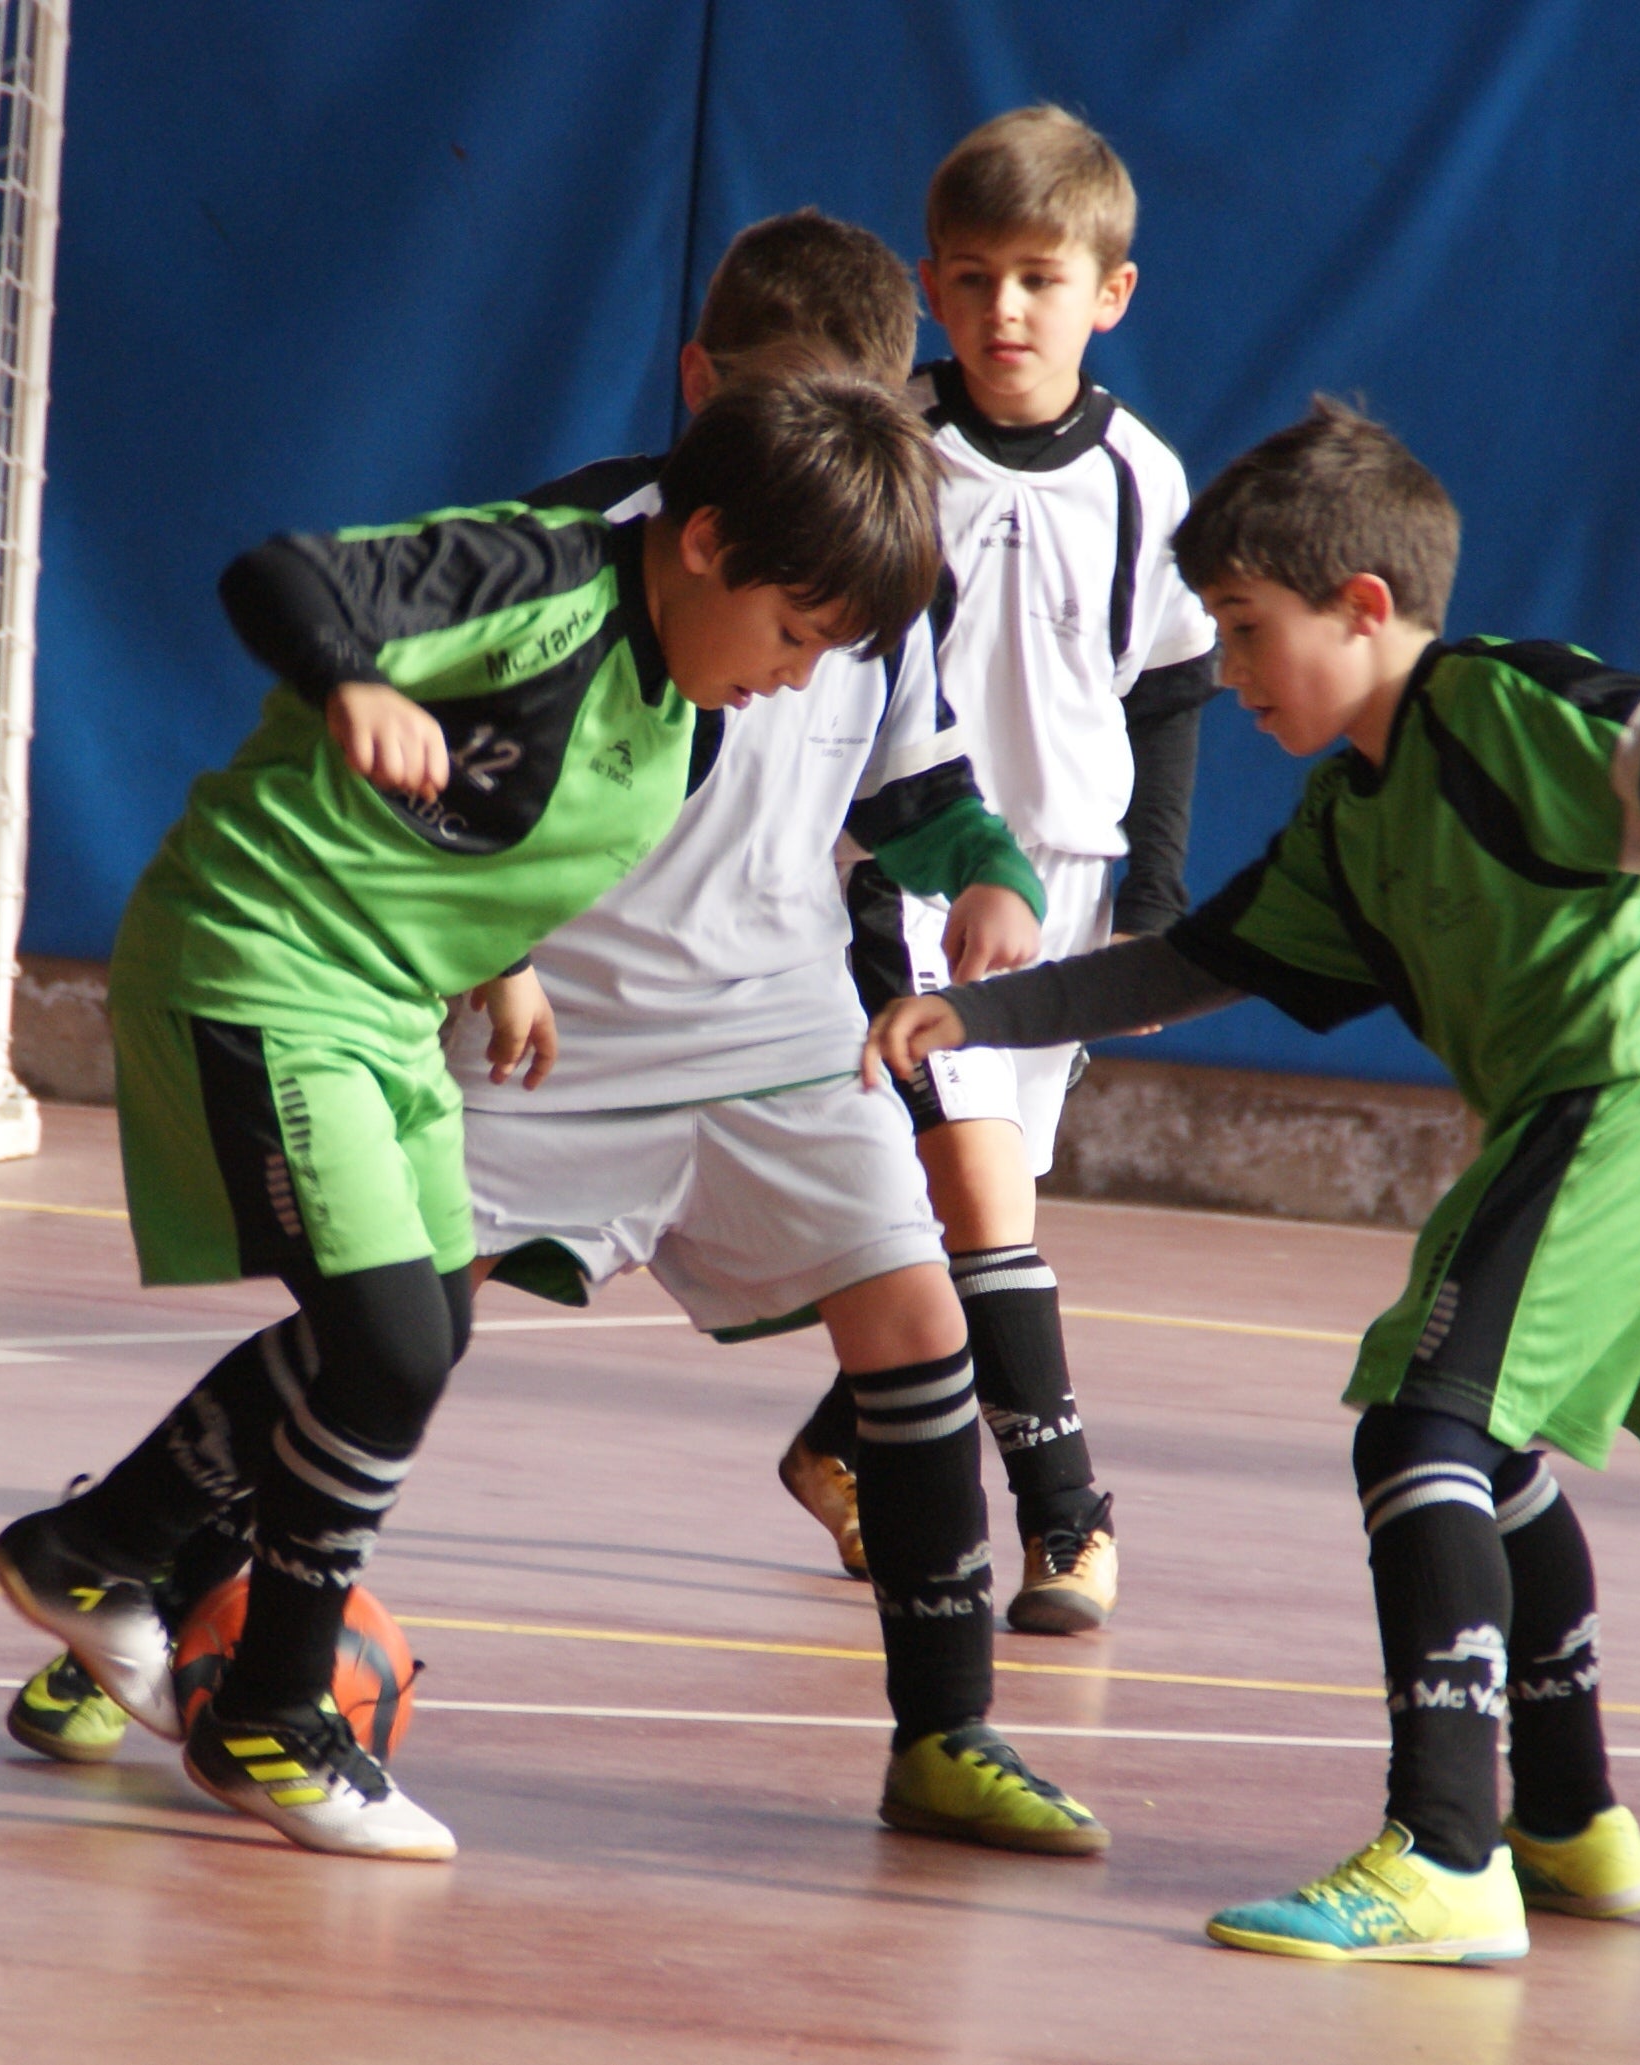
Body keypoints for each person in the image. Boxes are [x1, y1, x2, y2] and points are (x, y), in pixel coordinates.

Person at [865, 396, 1640, 1960]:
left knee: (1418, 1429)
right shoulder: (1351, 816)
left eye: (1244, 632)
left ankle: (1445, 1851)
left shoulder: (1492, 705)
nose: (1227, 677)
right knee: (1482, 1456)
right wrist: (985, 1014)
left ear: (1365, 609)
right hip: (1629, 1107)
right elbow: (1186, 961)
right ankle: (1566, 1820)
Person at [0, 366, 945, 1862]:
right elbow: (281, 574)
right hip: (263, 958)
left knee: (417, 1320)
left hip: (381, 1010)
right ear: (703, 543)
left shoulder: (684, 704)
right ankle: (269, 1722)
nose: (797, 677)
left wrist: (505, 965)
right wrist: (353, 677)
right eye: (794, 632)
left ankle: (91, 1549)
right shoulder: (538, 569)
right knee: (389, 1341)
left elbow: (495, 813)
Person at [448, 210, 1104, 1855]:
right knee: (387, 1332)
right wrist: (486, 939)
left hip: (773, 1020)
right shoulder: (574, 544)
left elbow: (916, 782)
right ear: (703, 393)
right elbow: (445, 767)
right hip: (561, 1019)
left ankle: (947, 1732)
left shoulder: (890, 581)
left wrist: (993, 875)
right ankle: (156, 1590)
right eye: (787, 418)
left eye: (861, 429)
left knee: (913, 1316)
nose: (825, 472)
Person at [785, 106, 1222, 1636]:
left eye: (1039, 278)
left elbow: (1166, 693)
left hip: (1073, 879)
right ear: (926, 286)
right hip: (910, 869)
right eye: (969, 280)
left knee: (988, 1211)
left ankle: (846, 1440)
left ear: (1110, 291)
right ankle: (1067, 1514)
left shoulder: (1150, 482)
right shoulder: (886, 451)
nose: (1003, 313)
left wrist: (1152, 908)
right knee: (982, 1204)